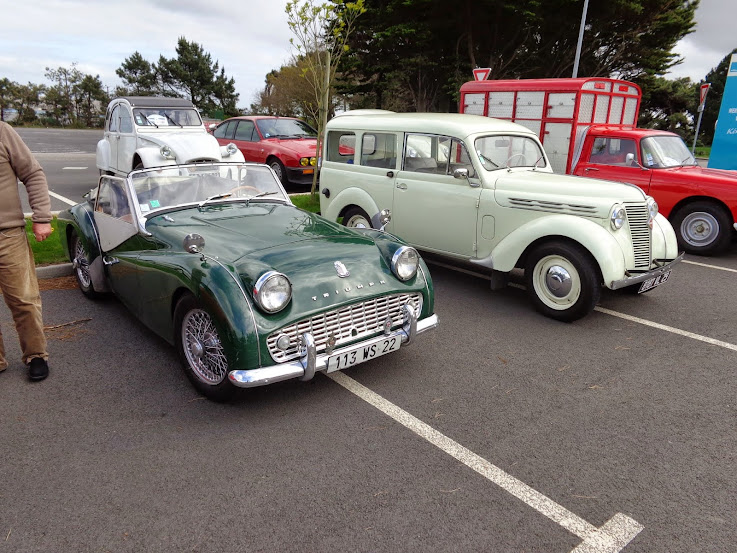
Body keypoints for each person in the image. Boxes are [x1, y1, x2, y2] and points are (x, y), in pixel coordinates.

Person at [0, 121, 52, 381]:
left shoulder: (2, 132)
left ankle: (36, 355)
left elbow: (32, 173)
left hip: (6, 234)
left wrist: (42, 217)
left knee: (24, 300)